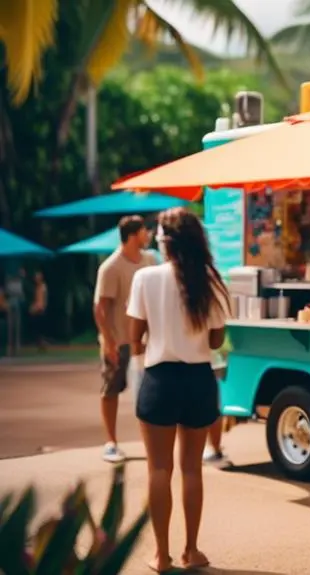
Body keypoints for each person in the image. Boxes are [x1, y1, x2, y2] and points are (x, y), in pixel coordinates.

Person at [127, 208, 229, 573]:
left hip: (160, 381)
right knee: (191, 470)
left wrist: (158, 336)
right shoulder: (211, 282)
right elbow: (217, 339)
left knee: (158, 469)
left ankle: (161, 555)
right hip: (199, 381)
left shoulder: (145, 278)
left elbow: (134, 339)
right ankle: (192, 550)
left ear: (164, 242)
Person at [94, 216, 156, 463]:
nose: (148, 235)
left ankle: (151, 441)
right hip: (119, 341)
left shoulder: (150, 260)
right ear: (133, 235)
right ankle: (111, 443)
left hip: (146, 341)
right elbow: (101, 308)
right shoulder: (111, 267)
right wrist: (109, 341)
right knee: (111, 390)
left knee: (149, 392)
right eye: (144, 231)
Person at [4, 267, 25, 356]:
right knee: (10, 326)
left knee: (16, 325)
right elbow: (8, 292)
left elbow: (21, 295)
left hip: (16, 304)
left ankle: (16, 346)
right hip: (10, 304)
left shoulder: (19, 282)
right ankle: (10, 346)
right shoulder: (9, 281)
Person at [28, 270, 48, 351]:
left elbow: (42, 301)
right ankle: (39, 343)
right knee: (37, 330)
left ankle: (41, 344)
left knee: (40, 330)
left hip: (41, 310)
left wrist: (37, 308)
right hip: (37, 309)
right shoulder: (37, 287)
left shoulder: (42, 287)